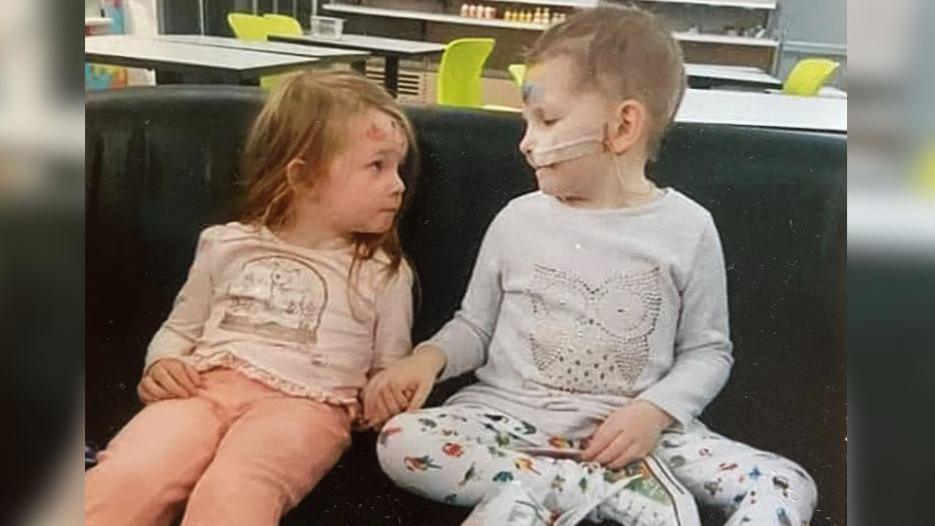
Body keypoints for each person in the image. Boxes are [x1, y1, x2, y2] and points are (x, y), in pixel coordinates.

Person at [365, 6, 817, 525]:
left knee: (788, 484)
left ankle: (533, 505)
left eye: (547, 120)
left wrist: (653, 412)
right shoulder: (517, 219)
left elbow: (708, 351)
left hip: (640, 438)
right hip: (511, 425)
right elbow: (475, 326)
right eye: (527, 122)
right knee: (402, 441)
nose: (526, 141)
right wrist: (428, 359)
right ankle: (609, 498)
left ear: (623, 126)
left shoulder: (689, 228)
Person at [85, 70, 415, 526]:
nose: (398, 185)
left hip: (305, 408)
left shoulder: (383, 273)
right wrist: (162, 363)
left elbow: (389, 369)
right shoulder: (225, 244)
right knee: (130, 473)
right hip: (202, 389)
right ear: (304, 177)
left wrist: (385, 395)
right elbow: (180, 328)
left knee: (237, 488)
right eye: (377, 166)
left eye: (398, 168)